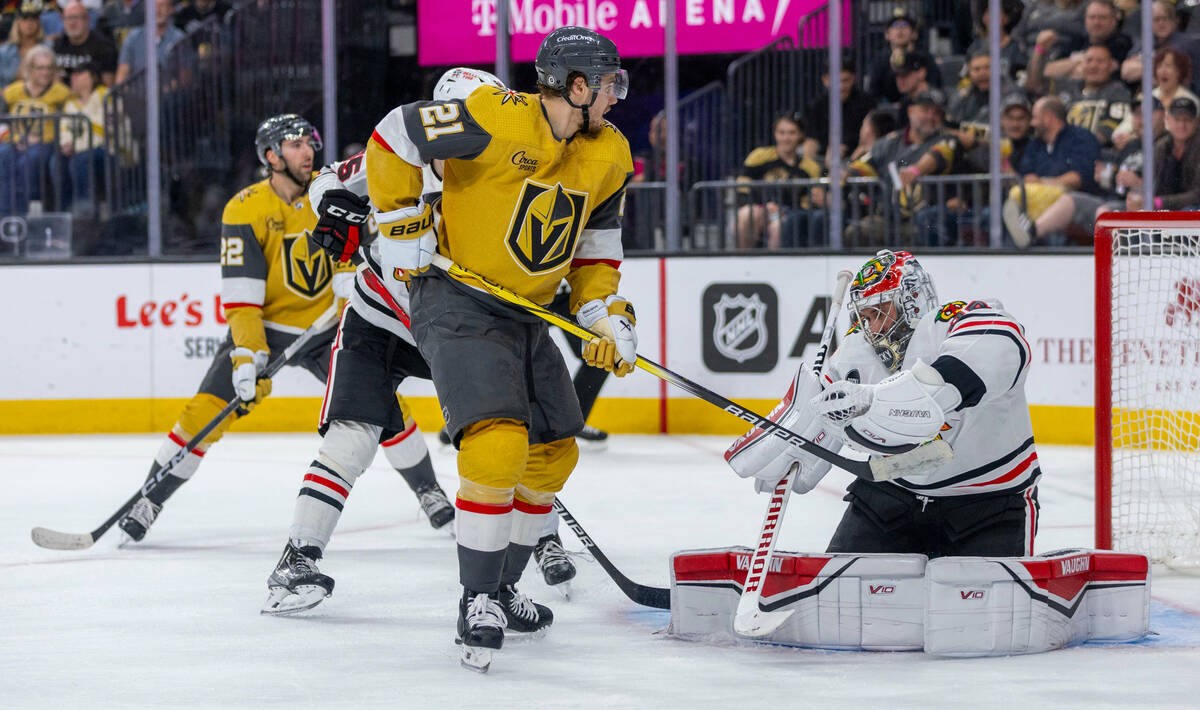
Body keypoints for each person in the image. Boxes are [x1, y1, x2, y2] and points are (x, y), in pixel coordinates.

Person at [364, 26, 637, 671]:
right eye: (608, 83)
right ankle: (477, 598)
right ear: (576, 85)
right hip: (457, 300)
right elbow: (392, 134)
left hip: (527, 312)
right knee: (498, 440)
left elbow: (596, 243)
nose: (616, 95)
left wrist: (602, 311)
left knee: (552, 452)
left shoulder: (611, 153)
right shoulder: (492, 116)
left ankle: (504, 586)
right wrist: (401, 223)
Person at [114, 114, 452, 543]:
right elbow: (242, 298)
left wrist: (349, 291)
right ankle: (149, 497)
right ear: (270, 156)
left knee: (383, 406)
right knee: (202, 413)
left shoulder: (339, 193)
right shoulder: (246, 208)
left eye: (310, 142)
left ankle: (429, 492)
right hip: (269, 328)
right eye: (294, 144)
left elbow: (362, 261)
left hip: (328, 326)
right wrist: (247, 354)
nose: (307, 151)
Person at [260, 68, 511, 616]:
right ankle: (299, 555)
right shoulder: (397, 152)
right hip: (377, 317)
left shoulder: (506, 176)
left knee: (501, 433)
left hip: (454, 325)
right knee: (351, 436)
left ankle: (533, 547)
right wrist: (334, 204)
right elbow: (329, 176)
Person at [725, 250, 1039, 558]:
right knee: (840, 600)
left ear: (912, 300)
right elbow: (821, 414)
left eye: (879, 311)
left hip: (989, 503)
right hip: (889, 497)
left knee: (986, 609)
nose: (872, 328)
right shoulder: (857, 349)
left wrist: (874, 401)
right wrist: (795, 439)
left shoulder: (966, 320)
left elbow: (948, 385)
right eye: (865, 317)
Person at [1002, 95, 1101, 248]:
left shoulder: (1081, 138)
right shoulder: (1035, 145)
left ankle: (1030, 236)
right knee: (1002, 212)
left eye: (1034, 118)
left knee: (1054, 227)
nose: (1032, 123)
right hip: (1036, 202)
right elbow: (1027, 177)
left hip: (1075, 203)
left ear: (1048, 118)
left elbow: (1077, 179)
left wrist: (1042, 182)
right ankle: (1013, 263)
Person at [0, 44, 70, 214]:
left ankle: (21, 215)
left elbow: (68, 122)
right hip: (14, 142)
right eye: (40, 68)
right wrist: (16, 138)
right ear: (29, 69)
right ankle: (4, 215)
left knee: (29, 160)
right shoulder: (12, 92)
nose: (45, 72)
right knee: (3, 156)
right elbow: (2, 120)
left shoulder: (61, 93)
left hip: (46, 143)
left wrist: (38, 140)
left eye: (49, 68)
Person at [734, 113, 821, 249]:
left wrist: (785, 210)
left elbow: (809, 201)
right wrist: (763, 206)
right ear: (775, 134)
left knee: (778, 227)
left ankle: (771, 267)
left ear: (800, 135)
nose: (786, 138)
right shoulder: (760, 156)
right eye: (781, 133)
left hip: (790, 214)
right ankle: (743, 262)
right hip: (760, 207)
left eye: (792, 133)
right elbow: (742, 187)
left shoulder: (811, 167)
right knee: (746, 214)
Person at [1042, 42, 1131, 149]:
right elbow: (1034, 83)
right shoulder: (1069, 86)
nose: (1093, 66)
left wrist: (1076, 148)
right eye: (1089, 61)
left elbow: (1109, 130)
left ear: (1111, 66)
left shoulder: (1119, 92)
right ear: (1081, 65)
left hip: (1098, 155)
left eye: (1100, 61)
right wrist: (1039, 50)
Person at [1121, 96, 1200, 212]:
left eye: (1187, 120)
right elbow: (1154, 185)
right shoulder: (1161, 146)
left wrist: (1159, 202)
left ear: (1196, 122)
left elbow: (1197, 195)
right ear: (1168, 119)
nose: (1182, 125)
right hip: (1163, 209)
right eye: (1177, 119)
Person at [1110, 47, 1198, 150]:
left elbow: (1178, 132)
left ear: (1179, 71)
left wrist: (1136, 137)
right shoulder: (1146, 96)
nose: (1163, 71)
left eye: (1169, 66)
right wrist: (1121, 137)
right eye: (1159, 66)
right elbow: (1125, 126)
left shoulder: (1190, 101)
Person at [1029, 0, 1130, 87]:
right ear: (1085, 20)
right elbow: (1048, 70)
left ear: (1114, 20)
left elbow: (1098, 75)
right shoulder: (1078, 41)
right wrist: (1077, 61)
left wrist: (1069, 67)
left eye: (1102, 18)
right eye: (1092, 17)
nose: (1096, 22)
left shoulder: (1122, 44)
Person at [803, 56, 877, 161]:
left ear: (853, 78)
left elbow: (872, 139)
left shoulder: (867, 103)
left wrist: (856, 157)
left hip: (859, 160)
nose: (840, 86)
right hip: (823, 161)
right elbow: (811, 141)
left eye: (845, 80)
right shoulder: (816, 106)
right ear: (825, 80)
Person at [56, 62, 107, 212]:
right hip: (77, 150)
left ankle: (86, 210)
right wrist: (66, 144)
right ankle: (63, 211)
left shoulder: (104, 95)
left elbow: (100, 130)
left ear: (92, 77)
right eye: (72, 74)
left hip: (104, 149)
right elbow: (64, 128)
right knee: (56, 162)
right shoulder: (70, 103)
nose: (73, 77)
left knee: (81, 160)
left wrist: (76, 147)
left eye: (78, 73)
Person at [1120, 0, 1200, 96]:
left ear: (1175, 20)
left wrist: (1143, 66)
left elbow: (1176, 79)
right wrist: (1159, 68)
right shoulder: (1145, 43)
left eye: (1165, 18)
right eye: (1156, 20)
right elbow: (1126, 72)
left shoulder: (1186, 44)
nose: (1161, 23)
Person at [867, 9, 940, 103]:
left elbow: (935, 86)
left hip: (920, 107)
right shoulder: (879, 60)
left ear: (914, 34)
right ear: (887, 35)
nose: (900, 29)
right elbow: (873, 93)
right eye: (895, 25)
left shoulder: (925, 58)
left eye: (905, 25)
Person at [114, 0, 184, 85]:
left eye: (162, 6)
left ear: (171, 9)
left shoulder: (179, 38)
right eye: (154, 7)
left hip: (170, 95)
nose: (157, 11)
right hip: (138, 94)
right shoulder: (133, 37)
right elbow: (121, 76)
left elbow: (185, 79)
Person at [53, 1, 118, 86]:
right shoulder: (58, 44)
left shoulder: (104, 46)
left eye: (76, 17)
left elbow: (109, 84)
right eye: (68, 18)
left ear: (87, 19)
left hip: (92, 96)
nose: (72, 23)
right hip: (62, 94)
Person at [0, 0, 47, 87]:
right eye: (25, 18)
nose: (29, 22)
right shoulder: (4, 52)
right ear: (18, 22)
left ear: (38, 22)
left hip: (42, 98)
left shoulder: (48, 48)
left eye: (33, 18)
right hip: (8, 97)